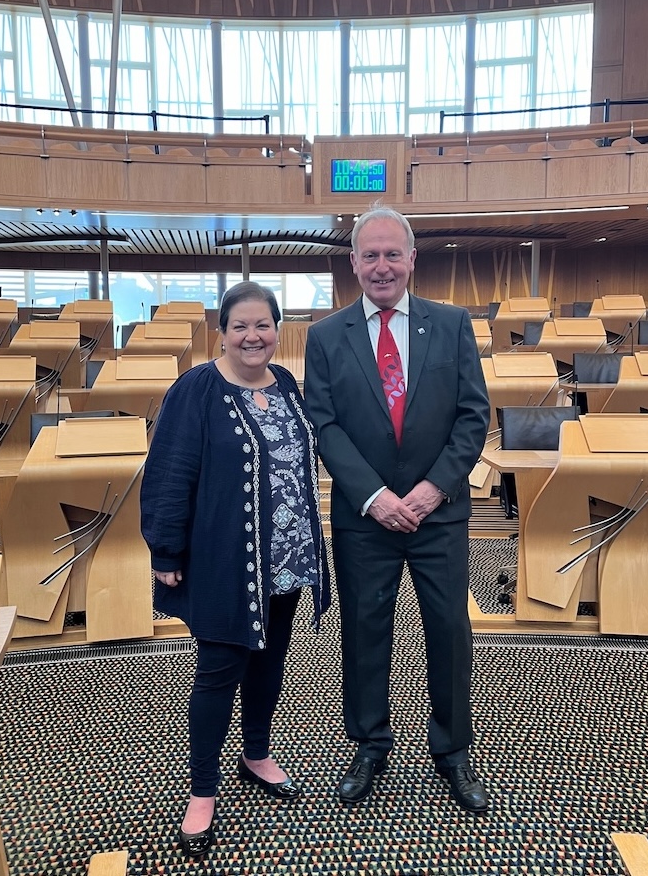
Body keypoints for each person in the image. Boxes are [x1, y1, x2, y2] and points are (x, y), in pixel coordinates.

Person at [303, 205, 490, 813]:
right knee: (362, 631)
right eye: (370, 254)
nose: (381, 266)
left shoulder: (453, 323)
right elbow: (324, 426)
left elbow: (472, 417)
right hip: (365, 517)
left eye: (392, 253)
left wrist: (433, 489)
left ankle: (454, 752)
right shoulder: (325, 337)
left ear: (413, 259)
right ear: (353, 262)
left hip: (440, 513)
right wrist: (375, 497)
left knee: (449, 631)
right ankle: (369, 744)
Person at [141, 281, 330, 857]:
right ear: (221, 332)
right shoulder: (197, 389)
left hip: (289, 558)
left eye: (263, 325)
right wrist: (167, 550)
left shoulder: (288, 385)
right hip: (227, 557)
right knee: (220, 668)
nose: (253, 336)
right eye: (241, 326)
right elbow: (170, 471)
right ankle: (202, 792)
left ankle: (256, 752)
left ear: (278, 330)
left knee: (270, 662)